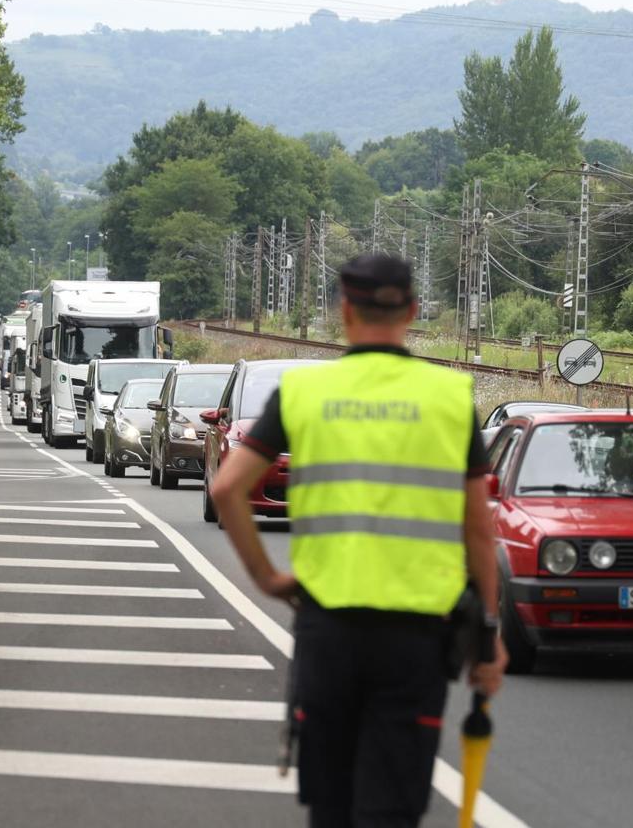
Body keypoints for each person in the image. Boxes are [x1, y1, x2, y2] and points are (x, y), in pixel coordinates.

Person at [212, 253, 508, 828]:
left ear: (344, 311)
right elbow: (478, 527)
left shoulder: (304, 392)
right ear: (414, 312)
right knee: (390, 811)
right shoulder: (450, 396)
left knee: (333, 808)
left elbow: (227, 489)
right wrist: (489, 634)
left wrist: (270, 579)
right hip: (415, 641)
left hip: (329, 632)